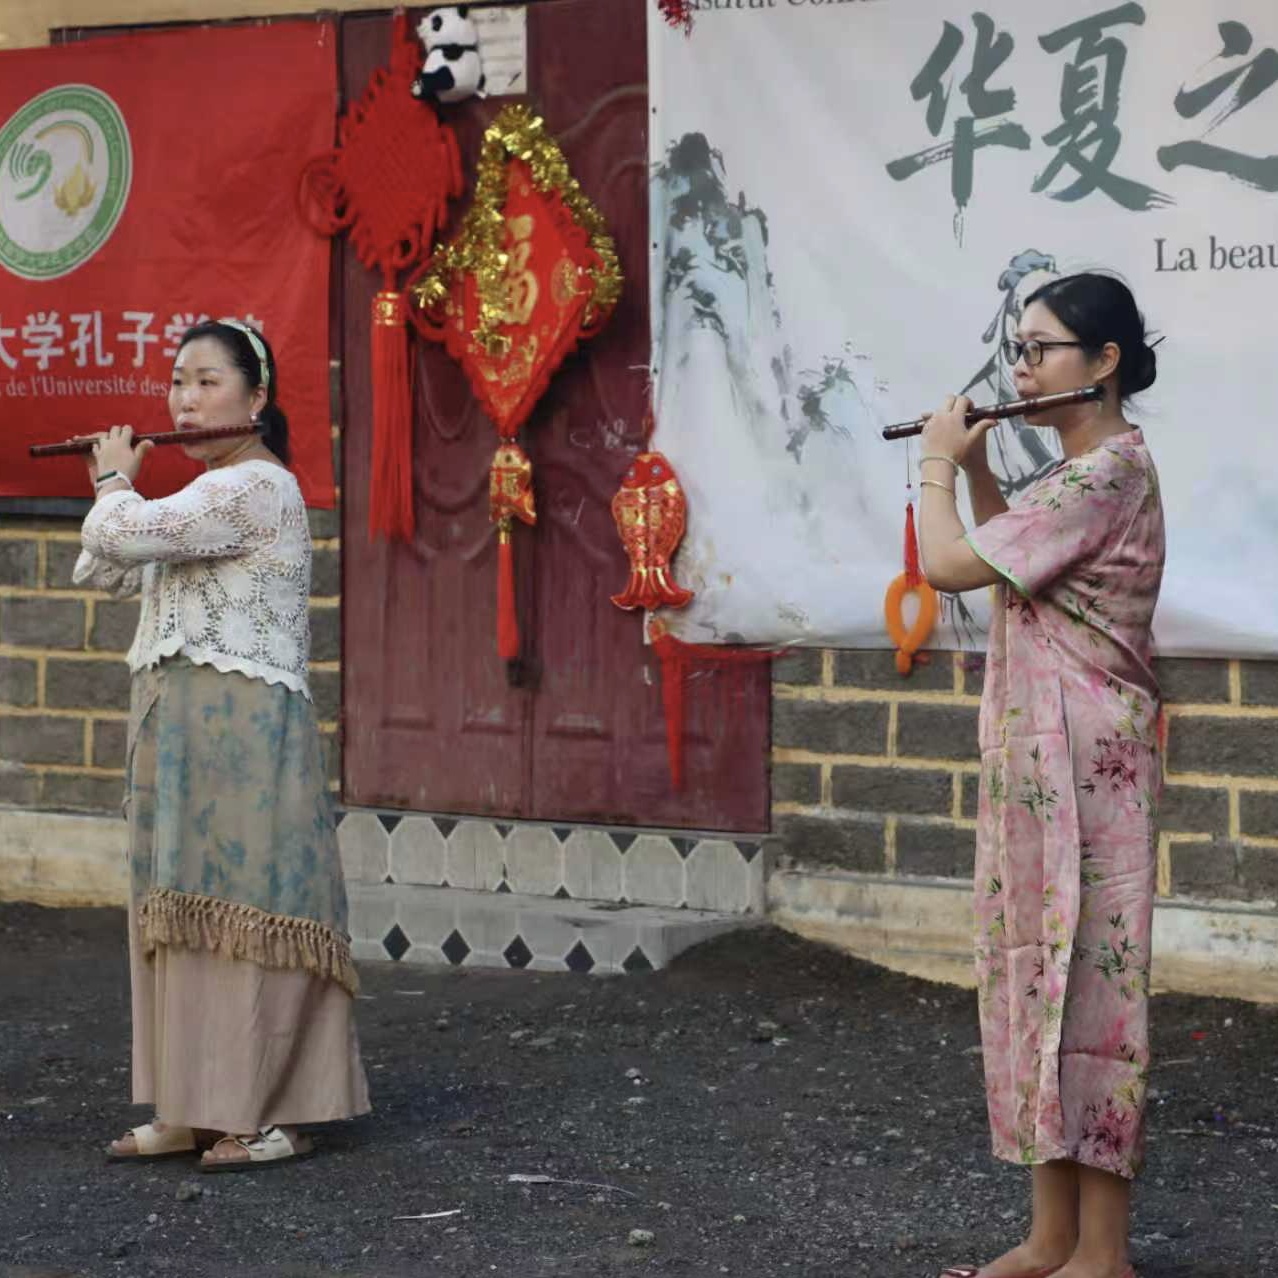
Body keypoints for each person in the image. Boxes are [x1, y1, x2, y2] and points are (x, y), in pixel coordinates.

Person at [74, 319, 369, 1172]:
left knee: (245, 912)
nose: (185, 399)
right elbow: (107, 564)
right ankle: (189, 1104)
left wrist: (115, 482)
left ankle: (268, 1112)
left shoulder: (257, 488)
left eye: (207, 381)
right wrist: (120, 497)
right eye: (178, 381)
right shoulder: (201, 499)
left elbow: (119, 534)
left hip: (245, 731)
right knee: (175, 907)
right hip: (176, 726)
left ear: (257, 397)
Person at [915, 274, 1165, 1278]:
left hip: (1091, 776)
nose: (1021, 369)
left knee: (1093, 997)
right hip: (1040, 768)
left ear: (1103, 362)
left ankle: (1101, 1254)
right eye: (1017, 349)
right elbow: (1008, 555)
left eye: (1041, 349)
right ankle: (1050, 1237)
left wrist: (937, 464)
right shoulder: (1072, 482)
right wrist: (980, 473)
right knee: (1033, 978)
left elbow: (947, 565)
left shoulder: (1106, 474)